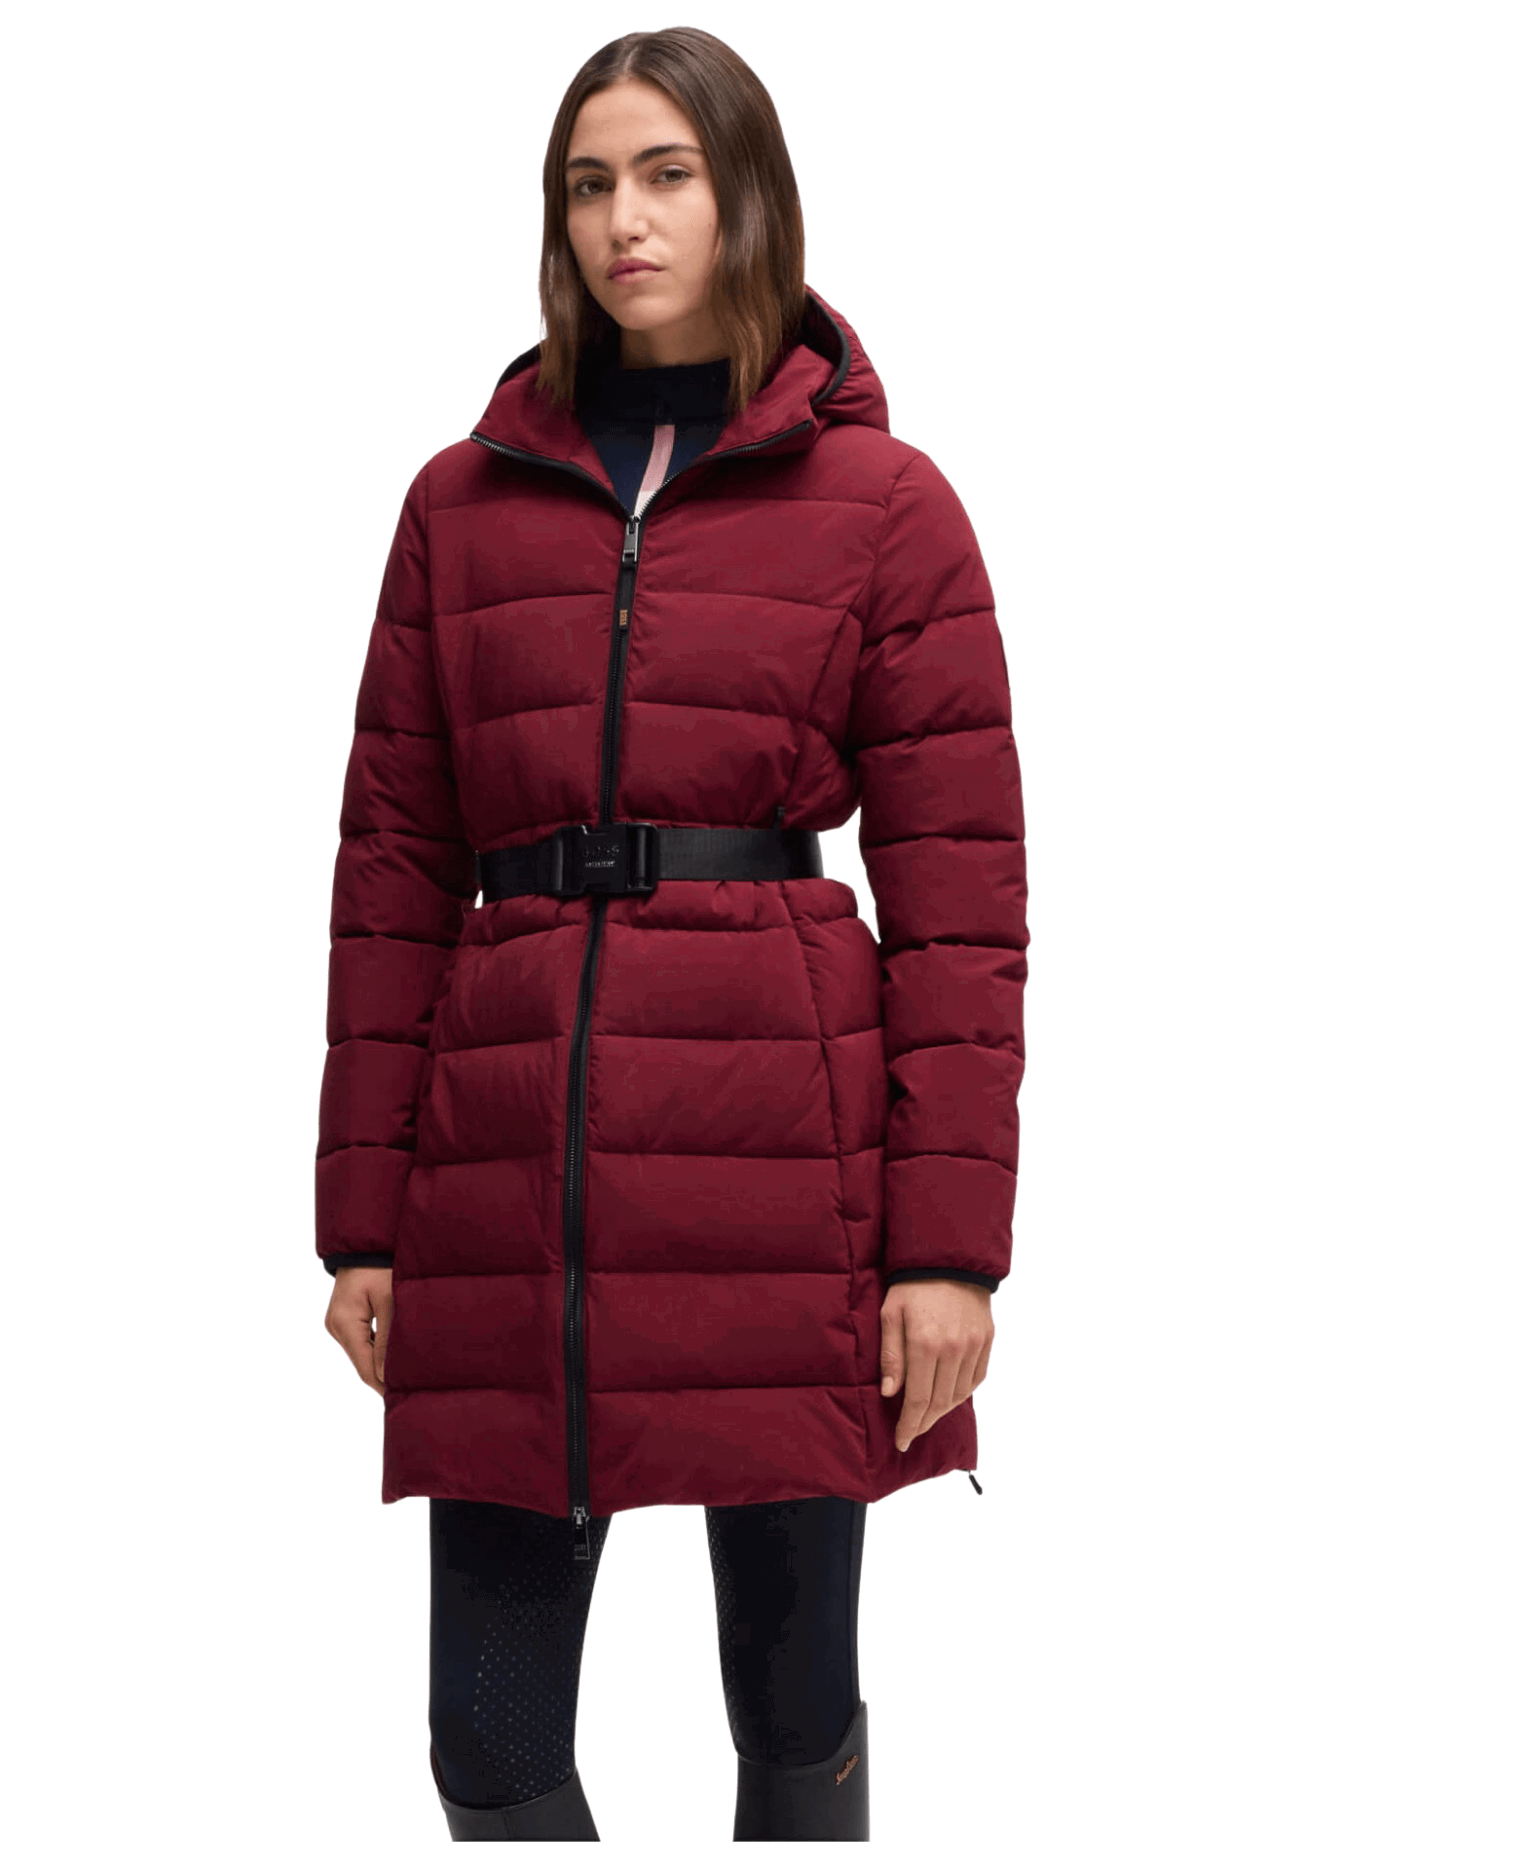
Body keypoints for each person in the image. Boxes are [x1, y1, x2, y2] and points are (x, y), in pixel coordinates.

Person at [316, 26, 1027, 1842]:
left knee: (792, 1719)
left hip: (783, 1174)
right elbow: (392, 868)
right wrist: (363, 1218)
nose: (621, 219)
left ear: (745, 199)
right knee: (488, 1742)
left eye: (664, 175)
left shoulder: (886, 507)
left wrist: (947, 1251)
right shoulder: (458, 503)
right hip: (511, 1174)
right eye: (587, 184)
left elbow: (962, 903)